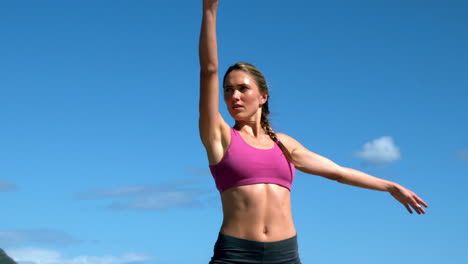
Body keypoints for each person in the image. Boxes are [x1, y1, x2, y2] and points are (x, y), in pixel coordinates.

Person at [198, 1, 428, 263]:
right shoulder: (220, 137)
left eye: (242, 88)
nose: (234, 96)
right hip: (236, 254)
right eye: (228, 90)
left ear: (263, 96)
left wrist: (389, 186)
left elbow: (339, 173)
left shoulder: (283, 144)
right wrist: (210, 10)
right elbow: (209, 71)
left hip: (284, 255)